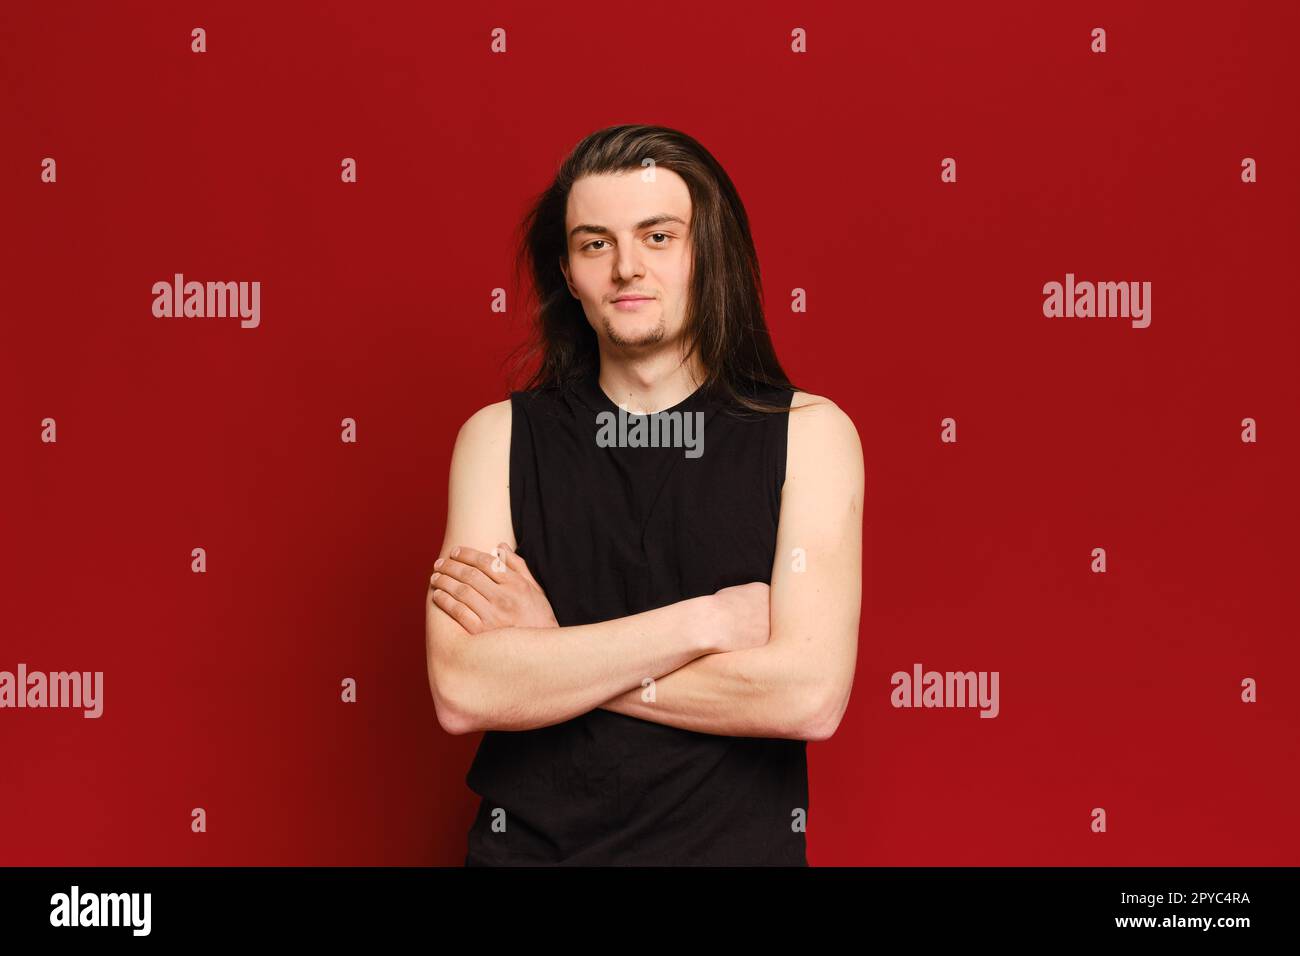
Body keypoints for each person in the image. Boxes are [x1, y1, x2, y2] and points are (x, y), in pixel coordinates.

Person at [424, 124, 863, 865]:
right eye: (596, 243)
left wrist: (551, 653)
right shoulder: (496, 439)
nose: (627, 267)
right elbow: (464, 690)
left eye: (658, 237)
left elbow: (806, 698)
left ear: (705, 253)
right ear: (568, 270)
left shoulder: (809, 434)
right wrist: (709, 620)